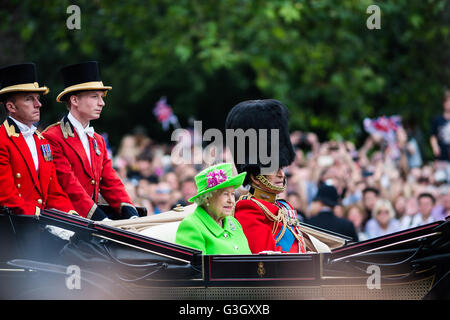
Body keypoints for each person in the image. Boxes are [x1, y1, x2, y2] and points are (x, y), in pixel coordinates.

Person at [226, 99, 325, 254]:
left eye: (281, 167)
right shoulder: (248, 210)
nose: (281, 174)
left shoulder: (284, 207)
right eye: (273, 169)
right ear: (254, 176)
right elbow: (268, 262)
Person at [42, 61, 138, 221]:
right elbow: (69, 185)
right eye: (95, 96)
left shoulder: (97, 140)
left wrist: (131, 214)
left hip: (89, 221)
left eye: (101, 97)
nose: (102, 102)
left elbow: (111, 182)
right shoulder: (52, 137)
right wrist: (101, 220)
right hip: (64, 221)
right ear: (74, 100)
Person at [0, 63, 76, 216]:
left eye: (38, 98)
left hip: (39, 224)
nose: (38, 104)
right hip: (14, 228)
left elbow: (53, 192)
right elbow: (7, 197)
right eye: (29, 99)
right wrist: (45, 219)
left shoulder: (42, 141)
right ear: (11, 107)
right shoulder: (2, 140)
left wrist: (72, 216)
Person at [175, 163, 251, 255]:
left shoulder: (234, 223)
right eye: (225, 194)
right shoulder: (191, 226)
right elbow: (195, 268)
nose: (231, 200)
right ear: (207, 198)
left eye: (232, 194)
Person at [430, 89, 450, 162]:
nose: (448, 103)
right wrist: (435, 147)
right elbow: (433, 135)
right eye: (446, 101)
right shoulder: (437, 120)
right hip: (442, 158)